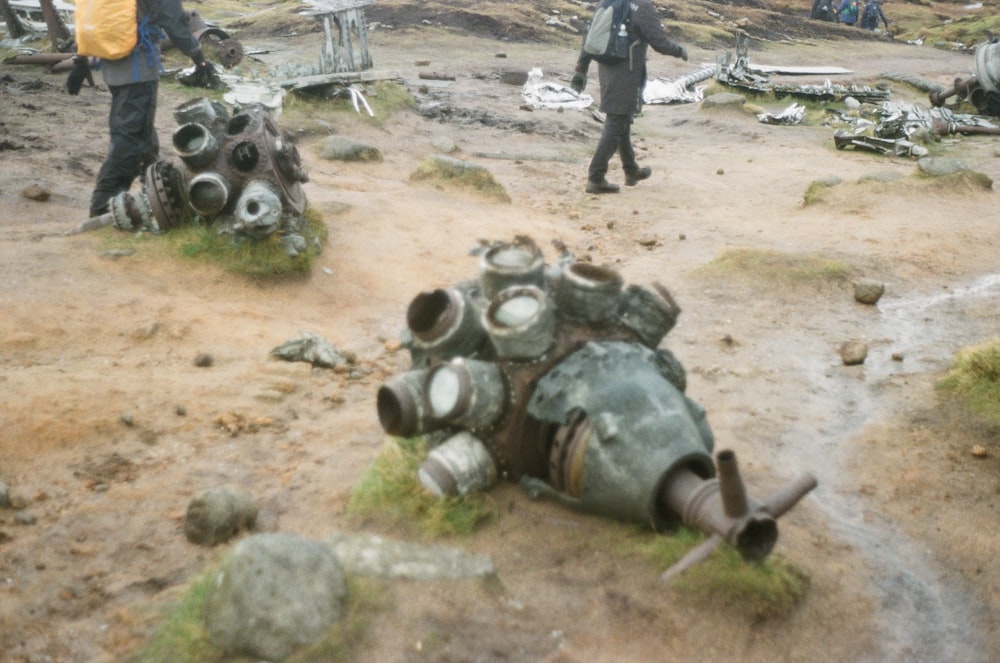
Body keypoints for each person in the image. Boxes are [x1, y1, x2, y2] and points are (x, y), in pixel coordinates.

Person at [66, 0, 219, 218]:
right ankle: (104, 204)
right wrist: (199, 58)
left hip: (111, 63)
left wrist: (80, 59)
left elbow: (89, 17)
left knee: (142, 132)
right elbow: (173, 20)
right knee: (130, 138)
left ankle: (159, 191)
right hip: (138, 68)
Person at [570, 0, 688, 194]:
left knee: (621, 118)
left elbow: (590, 36)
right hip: (627, 73)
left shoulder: (607, 2)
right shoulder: (642, 6)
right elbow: (658, 41)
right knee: (616, 121)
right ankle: (595, 177)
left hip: (607, 70)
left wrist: (581, 69)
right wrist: (679, 50)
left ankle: (631, 170)